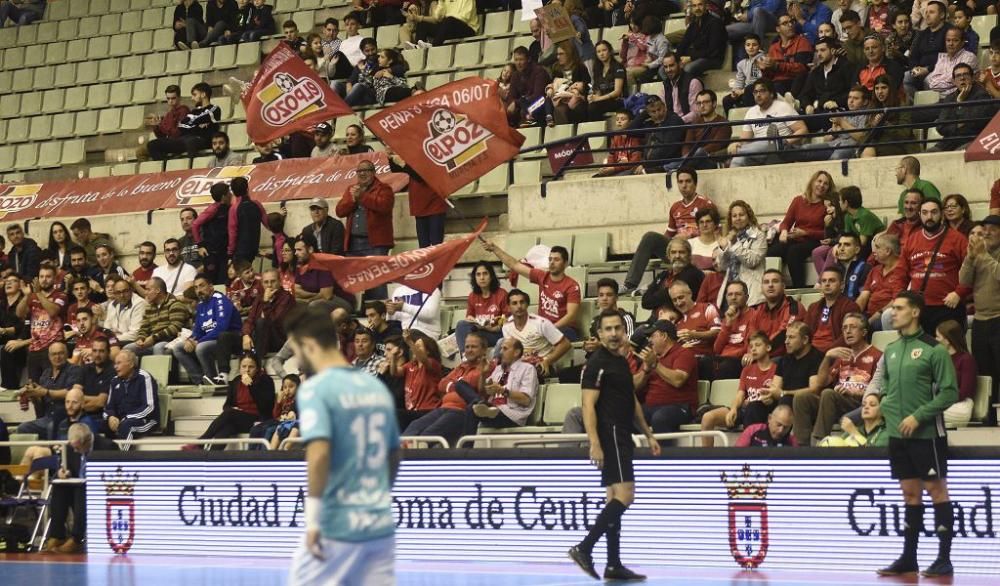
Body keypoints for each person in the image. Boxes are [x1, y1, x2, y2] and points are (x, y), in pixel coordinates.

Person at [285, 306, 400, 586]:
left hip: (337, 527)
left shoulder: (316, 388)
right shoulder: (374, 387)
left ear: (309, 345)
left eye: (296, 351)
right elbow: (395, 453)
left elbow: (319, 453)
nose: (297, 359)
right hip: (379, 526)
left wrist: (313, 520)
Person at [568, 310, 659, 582]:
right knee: (625, 495)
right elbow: (587, 406)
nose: (613, 333)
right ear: (598, 334)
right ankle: (584, 548)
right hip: (611, 434)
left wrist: (648, 434)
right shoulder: (597, 363)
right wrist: (594, 443)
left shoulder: (620, 361)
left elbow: (631, 400)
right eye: (607, 329)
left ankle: (613, 565)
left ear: (624, 331)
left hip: (623, 433)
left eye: (617, 328)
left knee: (613, 499)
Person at [876, 291, 958, 578]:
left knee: (937, 491)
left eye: (898, 308)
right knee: (910, 495)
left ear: (915, 312)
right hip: (898, 436)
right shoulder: (891, 350)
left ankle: (944, 559)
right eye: (892, 308)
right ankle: (908, 558)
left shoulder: (934, 350)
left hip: (927, 435)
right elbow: (886, 387)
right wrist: (886, 407)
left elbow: (950, 392)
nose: (892, 313)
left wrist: (918, 416)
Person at [794, 313, 882, 445]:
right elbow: (821, 382)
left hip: (859, 403)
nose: (848, 331)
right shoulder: (842, 355)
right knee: (802, 397)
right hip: (836, 402)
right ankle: (800, 448)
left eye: (852, 327)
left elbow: (878, 392)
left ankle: (820, 444)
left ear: (864, 332)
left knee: (828, 394)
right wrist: (827, 357)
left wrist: (852, 393)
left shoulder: (877, 355)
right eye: (844, 328)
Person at [622, 173, 714, 292]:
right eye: (680, 182)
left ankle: (659, 286)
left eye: (688, 181)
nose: (684, 185)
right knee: (650, 238)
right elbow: (669, 233)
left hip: (696, 249)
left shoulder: (705, 204)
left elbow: (714, 231)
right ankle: (630, 284)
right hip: (676, 248)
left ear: (695, 184)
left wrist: (690, 234)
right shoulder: (675, 207)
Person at [893, 198, 969, 334]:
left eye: (934, 212)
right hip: (918, 308)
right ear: (920, 215)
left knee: (950, 351)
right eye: (925, 212)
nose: (929, 217)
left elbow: (971, 269)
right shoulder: (912, 240)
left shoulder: (958, 239)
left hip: (948, 306)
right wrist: (899, 296)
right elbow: (900, 272)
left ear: (942, 214)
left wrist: (959, 293)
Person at [42, 423, 116, 554]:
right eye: (73, 447)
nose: (75, 450)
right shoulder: (71, 447)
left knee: (81, 489)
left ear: (87, 441)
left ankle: (77, 539)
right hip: (77, 487)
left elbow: (114, 474)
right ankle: (57, 536)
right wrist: (62, 473)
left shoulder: (108, 446)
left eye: (77, 447)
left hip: (99, 490)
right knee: (60, 487)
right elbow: (67, 468)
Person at [484, 242, 581, 341]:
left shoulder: (572, 286)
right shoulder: (542, 276)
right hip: (543, 327)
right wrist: (495, 249)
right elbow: (515, 265)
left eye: (556, 260)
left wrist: (549, 329)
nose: (552, 262)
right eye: (550, 259)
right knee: (506, 340)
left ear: (565, 263)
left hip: (566, 329)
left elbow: (571, 315)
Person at [403, 332, 488, 443]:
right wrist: (456, 386)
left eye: (474, 347)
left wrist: (455, 385)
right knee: (414, 426)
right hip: (443, 408)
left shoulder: (486, 368)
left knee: (426, 436)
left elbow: (472, 386)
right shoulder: (461, 367)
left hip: (460, 412)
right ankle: (398, 456)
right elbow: (442, 384)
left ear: (484, 350)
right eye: (467, 347)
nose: (469, 350)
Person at [701, 331, 778, 446]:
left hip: (764, 411)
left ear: (768, 347)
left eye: (758, 345)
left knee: (753, 408)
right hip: (745, 410)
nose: (753, 349)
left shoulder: (776, 369)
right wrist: (733, 409)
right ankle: (707, 460)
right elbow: (740, 395)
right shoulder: (747, 370)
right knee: (708, 417)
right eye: (751, 346)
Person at [185, 353, 274, 451]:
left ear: (257, 368)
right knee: (227, 428)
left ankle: (201, 442)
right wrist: (233, 409)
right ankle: (212, 458)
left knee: (230, 414)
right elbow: (227, 406)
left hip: (257, 419)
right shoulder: (236, 381)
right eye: (244, 366)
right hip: (238, 418)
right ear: (240, 368)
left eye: (251, 367)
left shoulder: (266, 380)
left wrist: (251, 386)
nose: (247, 370)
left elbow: (266, 407)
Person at [961, 215, 1000, 425]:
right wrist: (969, 258)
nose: (986, 232)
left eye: (993, 228)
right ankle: (989, 417)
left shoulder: (988, 255)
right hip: (980, 320)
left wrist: (983, 256)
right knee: (985, 371)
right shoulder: (979, 254)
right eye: (984, 228)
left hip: (999, 318)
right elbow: (963, 281)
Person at [336, 160, 395, 299]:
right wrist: (353, 200)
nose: (362, 174)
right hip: (353, 243)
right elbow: (340, 211)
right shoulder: (352, 189)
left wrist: (362, 196)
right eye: (359, 171)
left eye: (366, 170)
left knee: (377, 281)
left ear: (373, 173)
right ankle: (358, 309)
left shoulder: (384, 188)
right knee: (354, 282)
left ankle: (378, 310)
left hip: (375, 244)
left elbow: (384, 206)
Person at [767, 171, 835, 288]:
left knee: (793, 252)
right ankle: (773, 285)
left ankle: (799, 289)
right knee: (774, 250)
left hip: (814, 241)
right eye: (819, 181)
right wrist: (784, 231)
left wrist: (805, 233)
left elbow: (828, 234)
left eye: (826, 183)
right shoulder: (798, 200)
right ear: (813, 182)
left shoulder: (828, 206)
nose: (821, 185)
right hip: (796, 237)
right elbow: (786, 222)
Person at [173, 274, 242, 386]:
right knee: (178, 348)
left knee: (201, 347)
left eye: (202, 286)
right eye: (196, 287)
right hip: (209, 340)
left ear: (211, 287)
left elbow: (221, 328)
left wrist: (198, 341)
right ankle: (200, 381)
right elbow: (198, 331)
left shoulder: (220, 300)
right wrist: (190, 340)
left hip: (228, 341)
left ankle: (212, 379)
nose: (199, 290)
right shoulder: (200, 306)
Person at [728, 79, 809, 168]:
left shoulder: (783, 107)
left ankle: (741, 152)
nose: (758, 95)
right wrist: (737, 145)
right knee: (738, 160)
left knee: (767, 143)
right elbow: (744, 140)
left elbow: (803, 130)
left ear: (771, 93)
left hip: (781, 151)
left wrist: (784, 143)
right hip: (759, 153)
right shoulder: (751, 112)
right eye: (755, 92)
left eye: (762, 91)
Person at [15, 342, 82, 439]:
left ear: (67, 354)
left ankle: (53, 452)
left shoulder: (74, 370)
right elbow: (41, 402)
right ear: (49, 357)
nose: (57, 357)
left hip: (66, 417)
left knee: (52, 427)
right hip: (47, 418)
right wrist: (32, 394)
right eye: (54, 354)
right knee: (23, 428)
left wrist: (46, 392)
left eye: (61, 353)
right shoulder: (46, 373)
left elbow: (70, 392)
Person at [500, 289, 572, 379]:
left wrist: (547, 361)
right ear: (508, 307)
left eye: (522, 302)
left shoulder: (541, 323)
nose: (519, 306)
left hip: (541, 366)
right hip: (520, 367)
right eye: (514, 303)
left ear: (527, 304)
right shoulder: (506, 327)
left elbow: (565, 344)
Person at [16, 264, 68, 382]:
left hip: (53, 348)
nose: (44, 279)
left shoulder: (61, 295)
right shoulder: (32, 296)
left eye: (48, 276)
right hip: (34, 348)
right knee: (34, 387)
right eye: (41, 276)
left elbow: (53, 311)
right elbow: (19, 313)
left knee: (50, 384)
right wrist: (27, 295)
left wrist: (38, 293)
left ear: (55, 279)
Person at [386, 148, 446, 248]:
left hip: (434, 203)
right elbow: (396, 169)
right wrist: (391, 158)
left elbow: (422, 177)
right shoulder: (413, 154)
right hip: (419, 204)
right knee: (423, 246)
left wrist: (403, 164)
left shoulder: (431, 152)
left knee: (436, 245)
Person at [930, 63, 997, 152]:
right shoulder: (950, 98)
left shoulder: (982, 96)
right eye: (958, 76)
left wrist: (960, 103)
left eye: (965, 74)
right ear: (954, 81)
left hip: (970, 140)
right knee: (925, 155)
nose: (962, 78)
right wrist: (958, 125)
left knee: (955, 156)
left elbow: (973, 124)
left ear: (973, 78)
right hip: (948, 142)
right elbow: (941, 127)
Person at [147, 83, 221, 160]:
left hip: (205, 140)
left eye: (194, 95)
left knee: (191, 141)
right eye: (168, 99)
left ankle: (192, 170)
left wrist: (191, 123)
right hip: (187, 139)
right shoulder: (194, 111)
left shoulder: (214, 108)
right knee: (152, 144)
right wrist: (157, 127)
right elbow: (182, 126)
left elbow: (185, 126)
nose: (192, 98)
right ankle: (166, 169)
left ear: (203, 94)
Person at [387, 330, 443, 429]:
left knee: (397, 414)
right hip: (413, 411)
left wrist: (409, 341)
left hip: (428, 411)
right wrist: (394, 358)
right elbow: (394, 372)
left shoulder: (433, 364)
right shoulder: (410, 365)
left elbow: (423, 359)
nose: (413, 349)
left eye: (418, 347)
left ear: (428, 351)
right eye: (413, 347)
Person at [125, 276, 191, 358]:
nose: (145, 293)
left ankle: (162, 371)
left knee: (158, 347)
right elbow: (144, 328)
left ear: (158, 290)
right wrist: (140, 339)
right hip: (154, 341)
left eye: (148, 289)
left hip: (172, 341)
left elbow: (175, 327)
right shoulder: (149, 307)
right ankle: (138, 371)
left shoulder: (175, 304)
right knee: (128, 348)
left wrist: (153, 338)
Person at [798, 37, 854, 130]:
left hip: (838, 111)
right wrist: (807, 105)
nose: (819, 54)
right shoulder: (816, 72)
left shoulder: (846, 67)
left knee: (805, 121)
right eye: (817, 51)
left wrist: (837, 102)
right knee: (795, 116)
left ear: (832, 50)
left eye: (823, 50)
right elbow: (804, 94)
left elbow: (853, 91)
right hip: (818, 111)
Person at [103, 350, 160, 442]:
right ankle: (104, 455)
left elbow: (149, 407)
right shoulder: (114, 381)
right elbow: (109, 407)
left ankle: (124, 456)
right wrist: (111, 417)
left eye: (119, 363)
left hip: (147, 421)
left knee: (127, 426)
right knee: (101, 425)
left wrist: (126, 418)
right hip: (122, 420)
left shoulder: (144, 377)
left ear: (131, 364)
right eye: (115, 363)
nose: (115, 367)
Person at [804, 266, 862, 353]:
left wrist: (827, 352)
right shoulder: (813, 307)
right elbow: (804, 333)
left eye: (832, 280)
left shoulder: (850, 307)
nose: (827, 284)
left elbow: (848, 336)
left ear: (842, 285)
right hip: (810, 353)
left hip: (834, 354)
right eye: (824, 281)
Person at [293, 234, 353, 315]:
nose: (296, 253)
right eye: (295, 250)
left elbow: (326, 295)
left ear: (310, 249)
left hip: (340, 300)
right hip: (315, 300)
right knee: (292, 303)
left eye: (299, 250)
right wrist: (313, 296)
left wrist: (308, 300)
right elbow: (296, 291)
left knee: (314, 305)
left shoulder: (323, 264)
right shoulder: (300, 264)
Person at [455, 263, 508, 354]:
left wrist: (488, 328)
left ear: (491, 276)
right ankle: (465, 356)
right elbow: (469, 318)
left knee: (473, 336)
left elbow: (505, 322)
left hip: (496, 334)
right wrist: (473, 320)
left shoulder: (502, 294)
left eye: (485, 273)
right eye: (478, 274)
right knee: (461, 325)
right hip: (480, 331)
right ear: (475, 278)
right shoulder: (472, 296)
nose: (482, 277)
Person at [904, 1, 952, 100]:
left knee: (929, 80)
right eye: (926, 12)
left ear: (942, 15)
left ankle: (930, 109)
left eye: (931, 12)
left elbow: (948, 58)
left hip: (940, 71)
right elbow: (913, 56)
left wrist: (928, 69)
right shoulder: (922, 34)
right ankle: (917, 105)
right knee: (906, 77)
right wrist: (914, 68)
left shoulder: (950, 31)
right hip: (920, 70)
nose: (927, 15)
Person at [242, 269, 295, 356]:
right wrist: (246, 335)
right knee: (226, 336)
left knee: (261, 322)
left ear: (280, 282)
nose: (269, 285)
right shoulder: (259, 298)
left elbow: (274, 321)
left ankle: (258, 364)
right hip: (259, 337)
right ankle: (223, 370)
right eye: (266, 282)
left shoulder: (287, 298)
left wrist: (266, 302)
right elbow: (249, 320)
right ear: (262, 284)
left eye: (273, 281)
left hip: (278, 339)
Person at [935, 320, 977, 428]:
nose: (935, 340)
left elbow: (964, 392)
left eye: (938, 337)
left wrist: (940, 400)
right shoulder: (939, 359)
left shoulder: (966, 360)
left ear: (948, 340)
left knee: (924, 414)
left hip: (961, 404)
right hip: (942, 403)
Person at [858, 232, 904, 332]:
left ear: (888, 251)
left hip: (888, 315)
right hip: (869, 314)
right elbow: (863, 296)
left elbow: (896, 300)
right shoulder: (875, 270)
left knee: (872, 326)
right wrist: (853, 314)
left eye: (877, 247)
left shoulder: (902, 270)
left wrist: (872, 319)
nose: (874, 251)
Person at [629, 95, 685, 174]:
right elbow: (630, 131)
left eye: (659, 109)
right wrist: (644, 114)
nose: (657, 114)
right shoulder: (650, 123)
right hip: (647, 165)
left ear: (664, 107)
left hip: (665, 166)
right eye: (653, 112)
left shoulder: (674, 120)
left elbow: (667, 150)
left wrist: (645, 165)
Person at [760, 16, 813, 96]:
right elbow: (770, 75)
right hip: (777, 82)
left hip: (794, 81)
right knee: (751, 88)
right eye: (785, 23)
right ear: (778, 29)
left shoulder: (802, 42)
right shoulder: (773, 47)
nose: (790, 25)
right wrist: (765, 68)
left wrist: (777, 65)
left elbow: (803, 68)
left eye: (791, 22)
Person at [924, 29, 978, 101]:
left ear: (962, 42)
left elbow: (959, 81)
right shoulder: (942, 58)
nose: (951, 44)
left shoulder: (969, 57)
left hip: (963, 98)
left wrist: (941, 80)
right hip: (941, 99)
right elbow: (932, 83)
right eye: (948, 40)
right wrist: (950, 83)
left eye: (955, 40)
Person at [657, 53, 704, 125]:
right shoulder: (665, 85)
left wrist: (677, 122)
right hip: (671, 127)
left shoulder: (693, 82)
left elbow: (696, 113)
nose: (668, 70)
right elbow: (662, 110)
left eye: (672, 65)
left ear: (680, 64)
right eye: (666, 67)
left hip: (689, 126)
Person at [0, 274, 28, 388]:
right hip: (2, 339)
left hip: (20, 340)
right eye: (7, 281)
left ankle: (9, 386)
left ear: (20, 285)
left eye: (13, 281)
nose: (8, 283)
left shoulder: (25, 303)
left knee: (7, 349)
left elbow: (25, 326)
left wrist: (7, 330)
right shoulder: (1, 304)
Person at [725, 35, 766, 112]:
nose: (751, 47)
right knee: (726, 100)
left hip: (758, 89)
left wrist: (742, 91)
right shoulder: (741, 64)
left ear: (759, 47)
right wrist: (735, 92)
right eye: (748, 45)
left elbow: (757, 82)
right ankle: (732, 123)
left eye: (754, 45)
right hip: (746, 90)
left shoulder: (761, 59)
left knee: (749, 89)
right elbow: (739, 82)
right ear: (745, 47)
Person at [588, 41, 627, 121]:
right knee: (588, 106)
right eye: (598, 52)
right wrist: (593, 97)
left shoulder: (618, 67)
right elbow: (597, 89)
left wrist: (599, 98)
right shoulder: (597, 69)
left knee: (593, 108)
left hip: (617, 100)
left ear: (610, 51)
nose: (601, 54)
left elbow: (617, 92)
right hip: (604, 101)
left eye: (604, 50)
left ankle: (599, 131)